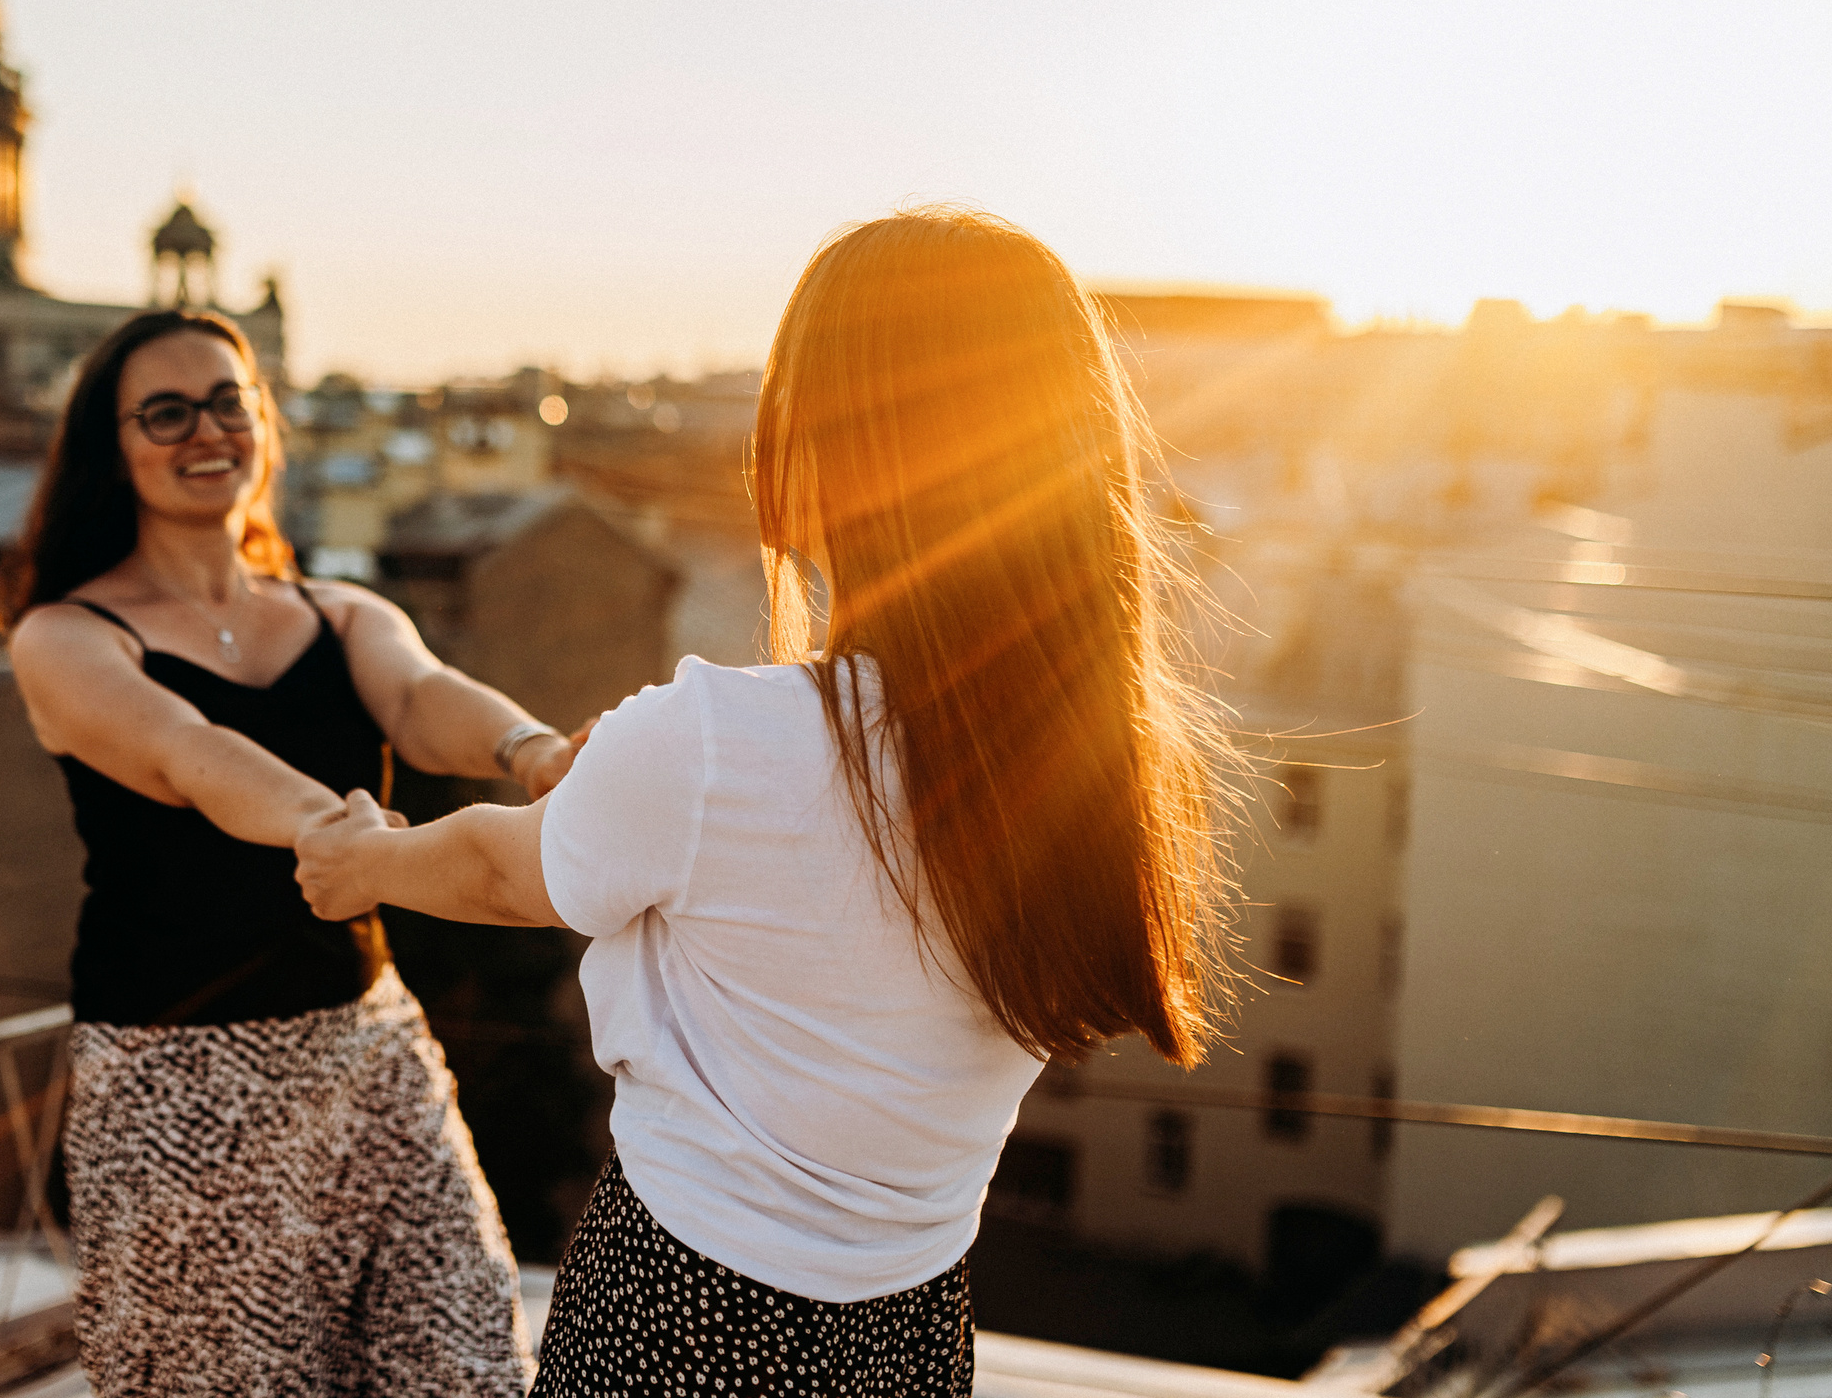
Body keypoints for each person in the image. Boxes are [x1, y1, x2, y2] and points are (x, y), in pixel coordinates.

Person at [294, 208, 1238, 1397]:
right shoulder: (1108, 770)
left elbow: (497, 871)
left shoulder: (712, 740)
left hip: (679, 1315)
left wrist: (363, 862)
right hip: (910, 1329)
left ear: (829, 451)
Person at [0, 307, 578, 1397]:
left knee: (467, 1365)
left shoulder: (339, 610)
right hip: (179, 1080)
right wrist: (341, 837)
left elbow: (418, 697)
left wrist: (532, 750)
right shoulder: (65, 635)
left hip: (367, 1052)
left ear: (263, 419)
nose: (203, 430)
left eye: (228, 401)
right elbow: (188, 752)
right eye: (164, 412)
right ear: (110, 446)